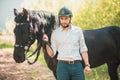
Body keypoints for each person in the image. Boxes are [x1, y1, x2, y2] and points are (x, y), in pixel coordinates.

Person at [43, 6, 91, 80]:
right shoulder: (55, 33)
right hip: (62, 67)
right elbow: (52, 54)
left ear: (70, 18)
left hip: (77, 65)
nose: (63, 21)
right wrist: (46, 42)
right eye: (61, 18)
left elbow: (83, 49)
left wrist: (87, 65)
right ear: (59, 19)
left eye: (66, 18)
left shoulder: (78, 31)